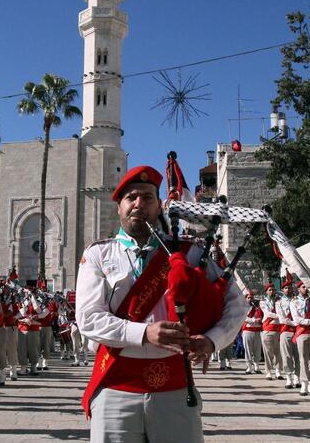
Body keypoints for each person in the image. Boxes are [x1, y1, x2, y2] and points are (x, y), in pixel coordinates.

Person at [76, 165, 247, 442]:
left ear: (159, 207)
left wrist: (213, 340)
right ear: (119, 207)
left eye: (147, 197)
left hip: (176, 386)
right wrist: (144, 333)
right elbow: (88, 318)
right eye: (131, 197)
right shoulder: (98, 254)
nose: (138, 204)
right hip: (116, 386)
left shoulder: (189, 253)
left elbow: (236, 303)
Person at [290, 281, 310, 396]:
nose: (306, 289)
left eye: (307, 287)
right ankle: (304, 384)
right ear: (298, 289)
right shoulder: (294, 302)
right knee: (303, 359)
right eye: (303, 287)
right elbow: (297, 319)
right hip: (302, 333)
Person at [277, 280, 300, 389]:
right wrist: (295, 322)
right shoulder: (279, 302)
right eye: (286, 288)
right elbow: (282, 319)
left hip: (298, 331)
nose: (288, 290)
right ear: (283, 290)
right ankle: (289, 377)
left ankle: (297, 377)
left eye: (290, 288)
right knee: (286, 356)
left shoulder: (297, 300)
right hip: (286, 331)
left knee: (298, 355)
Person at [259, 282, 282, 380]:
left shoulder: (278, 301)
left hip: (277, 329)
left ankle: (278, 370)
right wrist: (280, 316)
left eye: (273, 290)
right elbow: (268, 313)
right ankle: (268, 371)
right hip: (268, 328)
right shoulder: (263, 301)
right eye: (270, 290)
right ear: (266, 292)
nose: (272, 291)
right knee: (268, 352)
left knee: (278, 351)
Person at [241, 289, 263, 374]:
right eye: (249, 297)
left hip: (257, 330)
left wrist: (259, 319)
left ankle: (256, 365)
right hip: (247, 330)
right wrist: (254, 320)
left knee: (257, 349)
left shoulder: (257, 307)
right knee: (248, 349)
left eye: (252, 297)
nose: (250, 299)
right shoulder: (243, 308)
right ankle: (249, 366)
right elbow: (244, 318)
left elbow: (261, 316)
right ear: (246, 298)